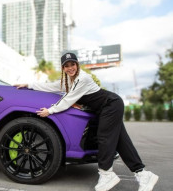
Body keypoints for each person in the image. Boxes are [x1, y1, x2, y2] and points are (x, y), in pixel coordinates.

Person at [14, 53, 159, 191]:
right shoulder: (68, 81)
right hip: (106, 108)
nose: (70, 68)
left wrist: (49, 111)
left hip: (111, 105)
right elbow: (50, 86)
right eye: (66, 66)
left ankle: (106, 174)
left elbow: (68, 100)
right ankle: (143, 174)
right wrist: (29, 85)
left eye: (72, 64)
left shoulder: (82, 78)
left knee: (104, 137)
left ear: (77, 65)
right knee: (122, 142)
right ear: (63, 68)